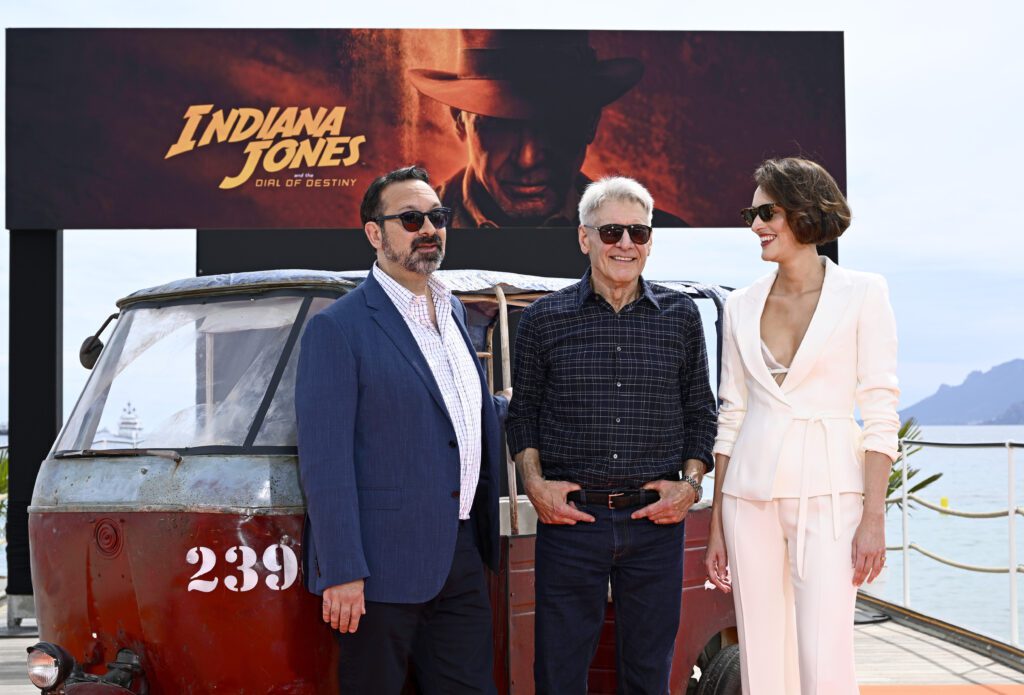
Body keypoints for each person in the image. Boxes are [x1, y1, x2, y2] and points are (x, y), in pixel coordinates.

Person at [295, 165, 509, 694]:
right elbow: (325, 462)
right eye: (411, 219)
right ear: (375, 234)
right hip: (378, 568)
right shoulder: (337, 328)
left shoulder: (456, 311)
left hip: (461, 555)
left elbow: (458, 419)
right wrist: (342, 570)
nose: (429, 229)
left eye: (437, 216)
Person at [505, 176, 717, 693]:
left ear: (650, 241)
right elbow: (523, 414)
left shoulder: (681, 317)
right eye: (612, 232)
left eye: (638, 233)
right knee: (558, 672)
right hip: (572, 521)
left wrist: (690, 487)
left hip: (656, 523)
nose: (625, 244)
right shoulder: (541, 320)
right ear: (585, 238)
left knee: (648, 676)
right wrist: (535, 486)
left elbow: (700, 413)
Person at [703, 157, 900, 694]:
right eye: (752, 213)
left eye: (767, 212)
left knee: (825, 655)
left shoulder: (863, 293)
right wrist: (717, 520)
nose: (755, 226)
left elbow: (881, 411)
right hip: (749, 496)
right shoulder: (739, 305)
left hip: (833, 494)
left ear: (806, 213)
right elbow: (732, 414)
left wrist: (874, 517)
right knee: (760, 661)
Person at [408, 30, 687, 228]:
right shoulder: (408, 234)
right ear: (460, 120)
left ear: (590, 123)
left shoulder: (663, 237)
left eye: (557, 126)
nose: (527, 160)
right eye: (501, 126)